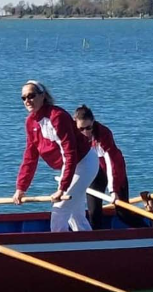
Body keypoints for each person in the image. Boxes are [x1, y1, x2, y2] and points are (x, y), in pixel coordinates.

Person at [13, 80, 97, 232]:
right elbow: (30, 157)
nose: (27, 101)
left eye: (31, 96)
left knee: (60, 208)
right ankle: (88, 247)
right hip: (70, 166)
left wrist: (63, 188)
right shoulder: (30, 122)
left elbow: (69, 153)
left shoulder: (57, 117)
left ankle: (60, 249)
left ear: (43, 96)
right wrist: (21, 188)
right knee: (74, 214)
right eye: (23, 98)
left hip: (85, 163)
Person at [74, 105, 148, 230]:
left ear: (93, 122)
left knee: (123, 213)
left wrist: (113, 191)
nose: (86, 132)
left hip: (115, 170)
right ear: (75, 125)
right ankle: (97, 243)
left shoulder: (103, 134)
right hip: (95, 172)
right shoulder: (73, 134)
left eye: (89, 128)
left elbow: (111, 162)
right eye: (81, 129)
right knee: (93, 214)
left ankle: (148, 230)